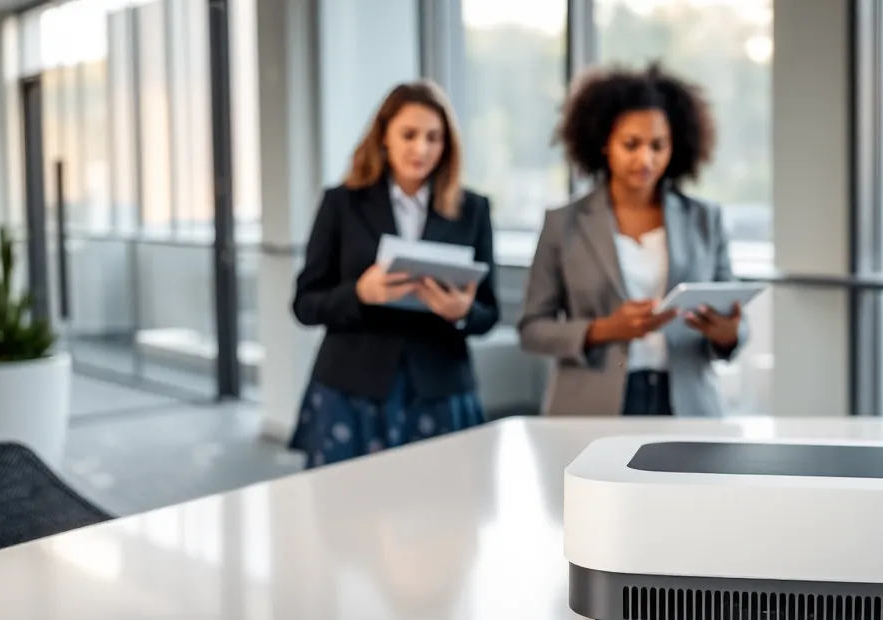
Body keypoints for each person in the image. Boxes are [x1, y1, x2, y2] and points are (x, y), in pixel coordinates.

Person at [289, 80, 499, 468]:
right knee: (346, 515)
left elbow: (489, 311)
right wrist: (360, 293)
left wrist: (461, 312)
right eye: (409, 134)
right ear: (384, 136)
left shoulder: (473, 209)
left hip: (439, 388)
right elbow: (305, 304)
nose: (421, 148)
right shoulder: (342, 204)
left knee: (444, 514)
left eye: (434, 138)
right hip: (352, 387)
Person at [518, 62, 748, 417]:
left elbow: (736, 318)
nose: (646, 158)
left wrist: (729, 333)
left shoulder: (706, 220)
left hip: (686, 403)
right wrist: (604, 329)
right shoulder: (563, 224)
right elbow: (533, 329)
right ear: (604, 144)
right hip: (592, 404)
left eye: (658, 145)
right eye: (631, 144)